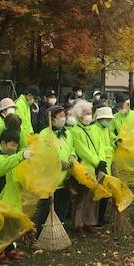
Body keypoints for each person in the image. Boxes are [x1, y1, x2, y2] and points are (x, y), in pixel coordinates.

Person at [0, 129, 30, 264]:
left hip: (15, 198)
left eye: (16, 145)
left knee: (13, 227)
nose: (14, 148)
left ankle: (10, 248)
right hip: (2, 198)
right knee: (1, 227)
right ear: (3, 143)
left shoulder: (17, 160)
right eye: (11, 145)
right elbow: (2, 168)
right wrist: (21, 156)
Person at [36, 105, 76, 235]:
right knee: (45, 207)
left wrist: (71, 159)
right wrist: (58, 164)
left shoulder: (67, 133)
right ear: (51, 119)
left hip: (64, 178)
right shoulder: (44, 134)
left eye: (64, 116)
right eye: (60, 117)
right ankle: (41, 232)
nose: (63, 119)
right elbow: (42, 156)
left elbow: (72, 150)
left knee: (62, 206)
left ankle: (59, 230)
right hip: (49, 179)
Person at [69, 100, 102, 235]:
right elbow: (82, 150)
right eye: (86, 113)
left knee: (93, 198)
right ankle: (78, 225)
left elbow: (100, 146)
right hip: (84, 169)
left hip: (96, 168)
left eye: (90, 113)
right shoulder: (75, 131)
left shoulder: (94, 129)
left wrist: (101, 161)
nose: (89, 115)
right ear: (79, 115)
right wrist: (96, 161)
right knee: (81, 198)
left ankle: (90, 222)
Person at [111, 94, 134, 201]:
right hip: (122, 151)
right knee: (122, 171)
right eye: (119, 106)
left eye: (123, 106)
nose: (121, 108)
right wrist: (116, 139)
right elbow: (110, 131)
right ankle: (124, 193)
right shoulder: (115, 118)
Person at [91, 106, 116, 227]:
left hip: (108, 163)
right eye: (106, 119)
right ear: (100, 119)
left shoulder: (106, 128)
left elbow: (110, 139)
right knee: (99, 192)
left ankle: (100, 217)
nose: (108, 121)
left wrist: (116, 141)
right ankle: (96, 218)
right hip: (100, 164)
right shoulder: (94, 129)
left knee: (106, 192)